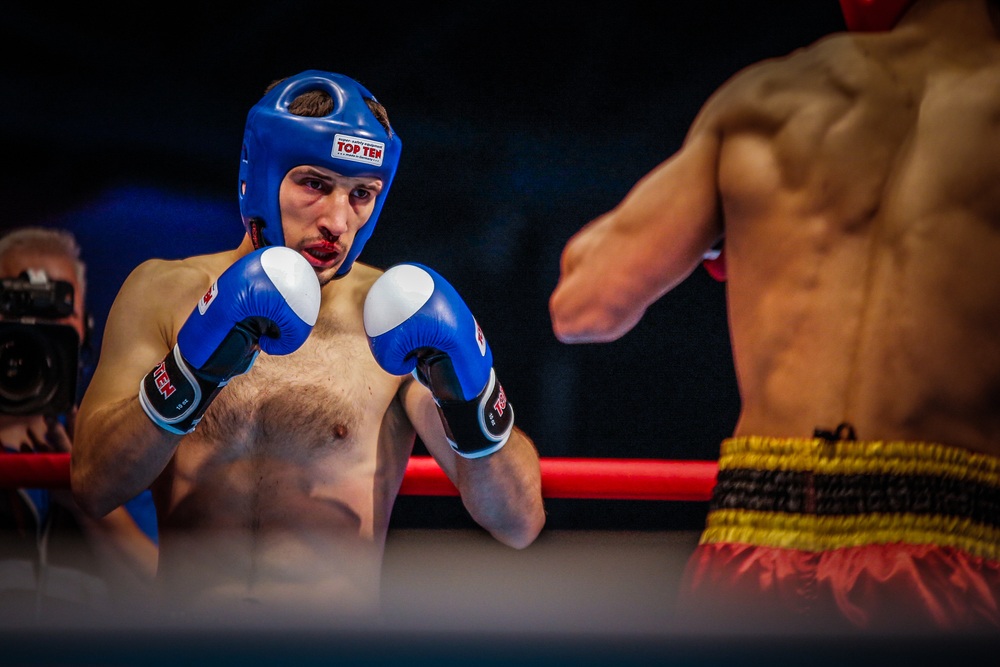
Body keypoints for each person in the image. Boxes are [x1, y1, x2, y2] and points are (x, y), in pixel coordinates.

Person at [549, 0, 1000, 633]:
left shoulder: (768, 100)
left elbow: (584, 302)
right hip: (946, 555)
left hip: (754, 548)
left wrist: (719, 231)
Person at [70, 70, 545, 621]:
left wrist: (473, 392)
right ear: (261, 174)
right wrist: (191, 371)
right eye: (315, 184)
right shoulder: (162, 293)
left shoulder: (394, 317)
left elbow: (518, 523)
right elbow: (94, 486)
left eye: (361, 194)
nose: (337, 222)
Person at [0, 226, 158, 618]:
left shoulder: (117, 457)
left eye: (56, 307)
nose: (35, 323)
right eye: (16, 302)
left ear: (84, 328)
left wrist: (90, 497)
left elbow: (164, 594)